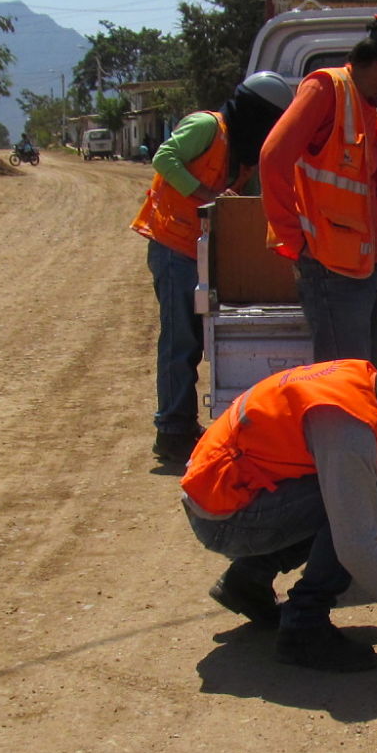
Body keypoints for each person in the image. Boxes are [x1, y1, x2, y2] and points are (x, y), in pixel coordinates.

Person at [181, 345, 377, 671]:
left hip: (235, 496)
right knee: (361, 503)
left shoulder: (372, 394)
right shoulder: (348, 427)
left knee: (368, 495)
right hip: (223, 516)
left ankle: (246, 583)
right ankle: (304, 629)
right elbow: (357, 548)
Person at [259, 1, 377, 365]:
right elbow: (272, 158)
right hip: (332, 272)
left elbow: (372, 198)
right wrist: (295, 243)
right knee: (340, 390)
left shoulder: (366, 106)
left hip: (365, 274)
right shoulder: (326, 89)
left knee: (361, 383)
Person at [132, 71, 293, 470]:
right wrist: (205, 195)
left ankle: (183, 426)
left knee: (198, 339)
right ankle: (172, 432)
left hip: (205, 251)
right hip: (174, 246)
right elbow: (164, 158)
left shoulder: (244, 151)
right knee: (180, 341)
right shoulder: (208, 127)